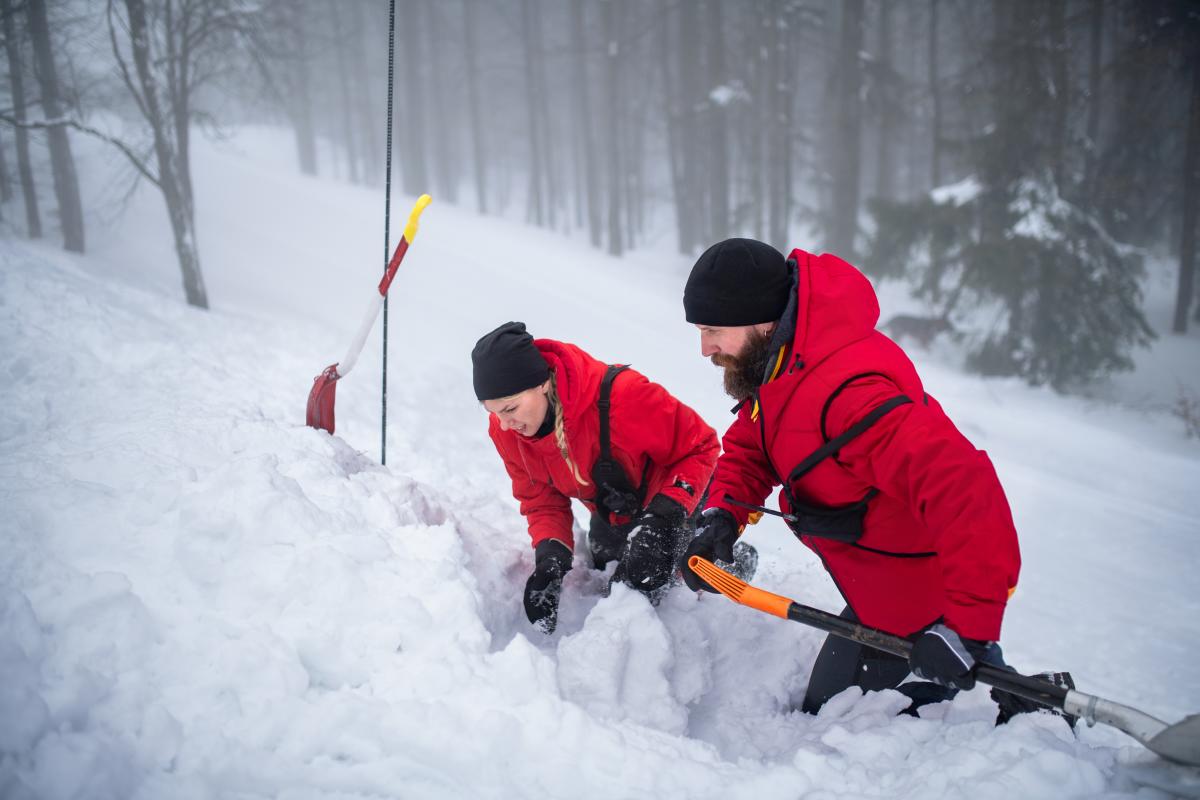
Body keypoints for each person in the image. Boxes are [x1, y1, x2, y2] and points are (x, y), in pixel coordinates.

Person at [677, 238, 1031, 716]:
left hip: (932, 619)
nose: (705, 348)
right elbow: (751, 444)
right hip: (877, 604)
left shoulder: (848, 394)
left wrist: (967, 628)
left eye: (713, 329)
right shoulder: (784, 366)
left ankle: (1013, 706)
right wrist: (723, 513)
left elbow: (964, 488)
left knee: (876, 740)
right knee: (821, 714)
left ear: (762, 320)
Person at [473, 321, 722, 634]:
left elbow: (701, 446)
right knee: (605, 565)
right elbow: (542, 501)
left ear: (542, 384)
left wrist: (663, 521)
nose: (506, 424)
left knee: (645, 588)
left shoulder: (623, 396)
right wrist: (550, 560)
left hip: (677, 496)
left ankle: (723, 558)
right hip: (616, 508)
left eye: (511, 408)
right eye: (494, 412)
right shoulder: (507, 433)